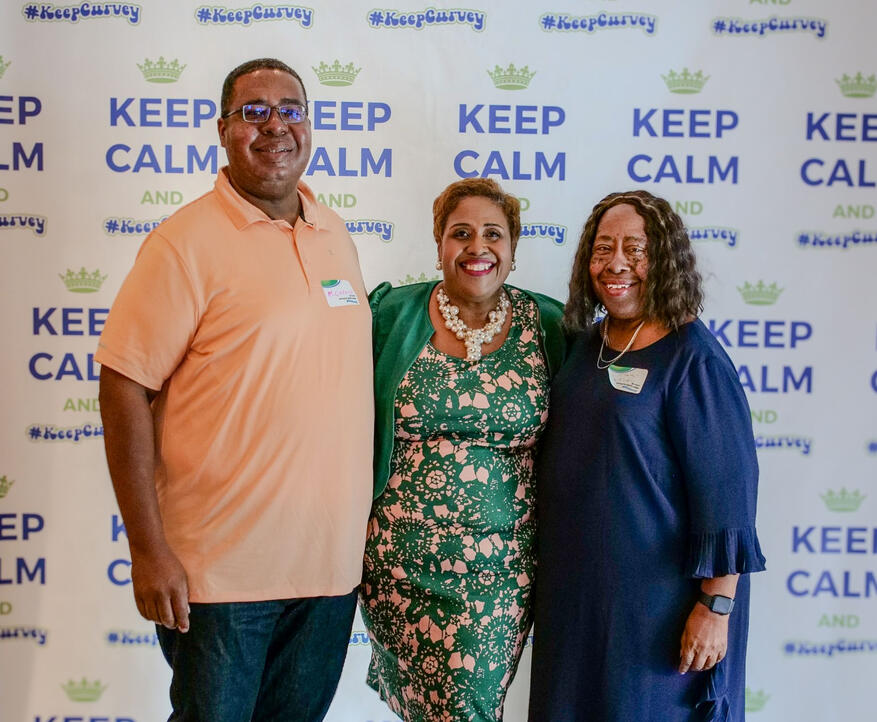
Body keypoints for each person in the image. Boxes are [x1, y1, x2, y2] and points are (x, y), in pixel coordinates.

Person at [96, 58, 373, 721]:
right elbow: (122, 386)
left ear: (309, 125)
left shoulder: (333, 232)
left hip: (329, 571)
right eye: (254, 112)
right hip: (220, 575)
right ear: (223, 131)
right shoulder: (182, 244)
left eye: (290, 110)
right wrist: (147, 550)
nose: (275, 125)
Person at [528, 190, 766, 721]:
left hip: (659, 613)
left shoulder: (694, 359)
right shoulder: (586, 346)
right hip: (576, 602)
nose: (616, 264)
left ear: (665, 260)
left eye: (635, 250)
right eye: (603, 249)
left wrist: (716, 607)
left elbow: (729, 497)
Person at [360, 178, 566, 721]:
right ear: (440, 244)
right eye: (461, 233)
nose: (478, 247)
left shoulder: (550, 325)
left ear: (513, 249)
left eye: (493, 234)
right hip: (396, 565)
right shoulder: (391, 315)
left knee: (465, 706)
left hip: (501, 570)